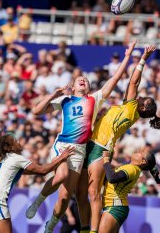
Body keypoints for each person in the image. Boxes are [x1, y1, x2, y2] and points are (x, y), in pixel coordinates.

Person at [25, 42, 137, 233]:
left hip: (79, 150)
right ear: (74, 86)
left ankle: (50, 224)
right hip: (63, 144)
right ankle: (38, 201)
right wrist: (54, 93)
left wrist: (127, 56)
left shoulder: (94, 99)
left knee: (65, 197)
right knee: (61, 175)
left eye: (85, 79)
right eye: (79, 80)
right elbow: (36, 111)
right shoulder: (65, 100)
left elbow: (116, 78)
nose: (83, 80)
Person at [76, 45, 160, 233]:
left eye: (147, 100)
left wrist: (143, 59)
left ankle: (91, 231)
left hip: (100, 148)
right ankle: (85, 228)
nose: (144, 96)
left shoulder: (131, 108)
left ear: (142, 108)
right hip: (90, 142)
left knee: (93, 193)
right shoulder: (131, 108)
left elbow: (134, 81)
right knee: (81, 192)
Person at [0, 130, 74, 233]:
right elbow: (43, 171)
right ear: (8, 147)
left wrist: (56, 165)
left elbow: (37, 172)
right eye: (14, 141)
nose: (18, 141)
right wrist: (62, 157)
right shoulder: (15, 158)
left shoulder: (5, 160)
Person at [98, 148, 160, 233]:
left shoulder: (132, 169)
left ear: (143, 161)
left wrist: (106, 161)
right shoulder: (133, 169)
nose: (138, 151)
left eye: (141, 152)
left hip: (114, 206)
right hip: (117, 207)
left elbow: (112, 178)